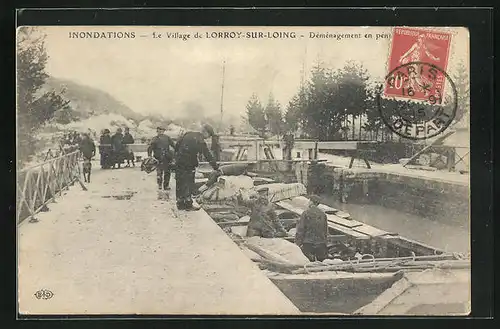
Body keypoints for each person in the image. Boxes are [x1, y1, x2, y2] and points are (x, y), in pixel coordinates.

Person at [174, 124, 219, 211]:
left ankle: (180, 204)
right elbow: (207, 155)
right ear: (205, 132)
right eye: (208, 135)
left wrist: (177, 156)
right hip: (189, 163)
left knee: (180, 182)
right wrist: (215, 167)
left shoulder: (188, 134)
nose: (208, 137)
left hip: (179, 162)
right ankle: (188, 204)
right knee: (188, 183)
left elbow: (177, 145)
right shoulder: (200, 140)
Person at [295, 195, 329, 262]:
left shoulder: (306, 213)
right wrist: (325, 243)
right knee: (321, 264)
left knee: (307, 263)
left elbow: (301, 230)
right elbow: (326, 231)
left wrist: (298, 244)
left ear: (311, 202)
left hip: (308, 244)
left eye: (309, 201)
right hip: (320, 244)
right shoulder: (323, 214)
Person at [147, 126, 176, 190]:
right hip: (158, 158)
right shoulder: (155, 139)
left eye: (162, 130)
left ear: (163, 131)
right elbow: (150, 148)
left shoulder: (167, 138)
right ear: (157, 131)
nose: (160, 132)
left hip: (167, 157)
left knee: (167, 172)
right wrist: (149, 156)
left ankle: (166, 185)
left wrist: (175, 153)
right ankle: (160, 184)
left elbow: (173, 145)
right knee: (159, 172)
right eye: (159, 130)